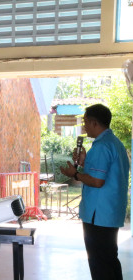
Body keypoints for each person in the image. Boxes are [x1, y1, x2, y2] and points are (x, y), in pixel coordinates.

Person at [60, 104, 129, 280]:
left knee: (99, 263)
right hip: (110, 212)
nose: (84, 126)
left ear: (94, 122)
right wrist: (84, 162)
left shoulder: (101, 146)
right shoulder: (115, 144)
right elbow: (104, 172)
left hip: (98, 215)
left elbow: (98, 181)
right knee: (110, 260)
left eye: (85, 122)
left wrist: (75, 173)